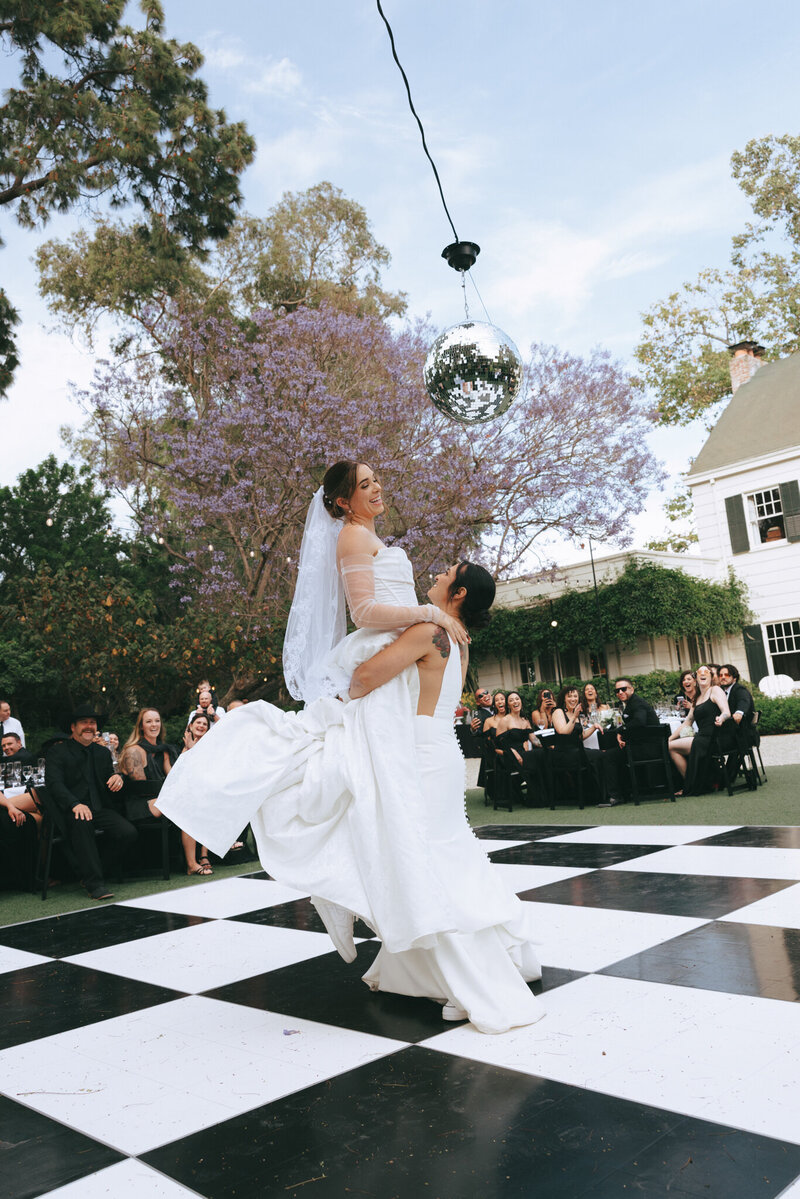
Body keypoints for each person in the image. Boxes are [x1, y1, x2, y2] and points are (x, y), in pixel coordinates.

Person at [156, 461, 543, 1033]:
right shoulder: (452, 638)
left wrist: (366, 680)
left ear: (455, 595)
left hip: (420, 754)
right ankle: (460, 963)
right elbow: (370, 620)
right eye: (364, 483)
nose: (435, 573)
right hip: (436, 754)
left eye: (446, 575)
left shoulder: (430, 630)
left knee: (423, 862)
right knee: (441, 857)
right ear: (342, 502)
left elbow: (363, 678)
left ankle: (473, 977)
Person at [44, 702, 136, 900]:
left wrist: (118, 778)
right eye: (83, 722)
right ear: (73, 727)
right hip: (71, 810)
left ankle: (90, 872)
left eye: (92, 722)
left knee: (128, 833)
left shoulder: (102, 753)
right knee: (82, 823)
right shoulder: (57, 752)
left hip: (99, 808)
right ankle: (95, 885)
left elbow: (109, 781)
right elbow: (54, 784)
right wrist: (74, 804)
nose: (89, 726)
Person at [669, 665, 731, 795]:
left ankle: (690, 785)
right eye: (699, 672)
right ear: (696, 678)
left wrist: (721, 718)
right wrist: (670, 738)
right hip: (701, 737)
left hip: (714, 737)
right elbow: (688, 721)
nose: (703, 674)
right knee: (669, 745)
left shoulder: (715, 690)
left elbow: (726, 712)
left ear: (711, 677)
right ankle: (691, 783)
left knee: (671, 747)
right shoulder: (696, 697)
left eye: (706, 672)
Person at [494, 690, 546, 803]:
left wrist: (547, 745)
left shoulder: (525, 720)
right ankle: (537, 797)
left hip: (524, 756)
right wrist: (513, 753)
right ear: (508, 705)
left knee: (544, 753)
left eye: (517, 699)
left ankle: (544, 794)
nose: (515, 702)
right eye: (511, 700)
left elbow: (535, 741)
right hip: (510, 757)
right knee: (538, 755)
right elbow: (497, 746)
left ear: (521, 702)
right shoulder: (505, 720)